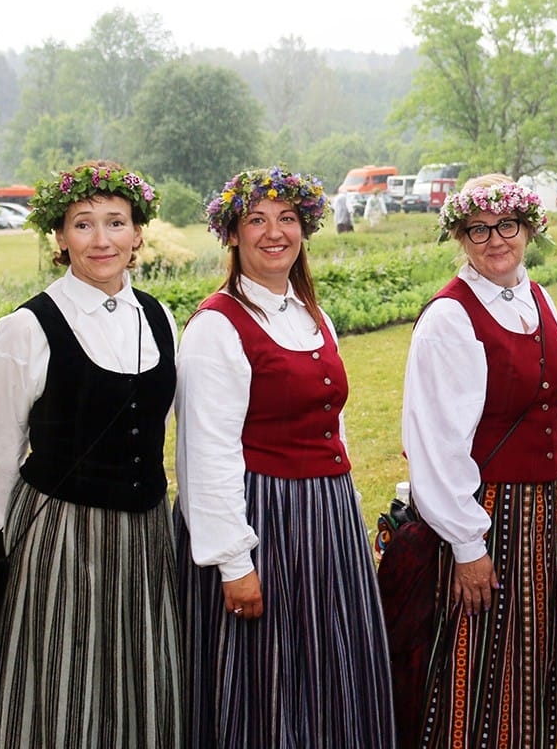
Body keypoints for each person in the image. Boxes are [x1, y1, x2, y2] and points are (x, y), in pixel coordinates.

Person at [0, 160, 184, 747]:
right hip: (61, 540)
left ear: (139, 233)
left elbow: (157, 429)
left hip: (147, 539)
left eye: (116, 222)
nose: (102, 239)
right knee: (59, 693)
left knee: (145, 684)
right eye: (83, 224)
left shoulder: (161, 318)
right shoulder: (26, 330)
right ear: (59, 237)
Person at [174, 165, 395, 748]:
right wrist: (233, 563)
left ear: (304, 229)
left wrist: (341, 513)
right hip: (263, 516)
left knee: (332, 665)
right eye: (256, 220)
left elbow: (333, 424)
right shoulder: (216, 327)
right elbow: (206, 453)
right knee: (267, 677)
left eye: (288, 219)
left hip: (327, 516)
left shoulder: (309, 313)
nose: (275, 233)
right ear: (232, 235)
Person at [401, 173, 557, 748]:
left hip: (540, 513)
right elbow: (435, 442)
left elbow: (554, 406)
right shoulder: (450, 318)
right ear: (461, 236)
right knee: (475, 669)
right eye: (478, 228)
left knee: (532, 667)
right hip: (486, 516)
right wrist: (467, 543)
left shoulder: (540, 298)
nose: (495, 239)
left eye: (507, 224)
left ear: (529, 228)